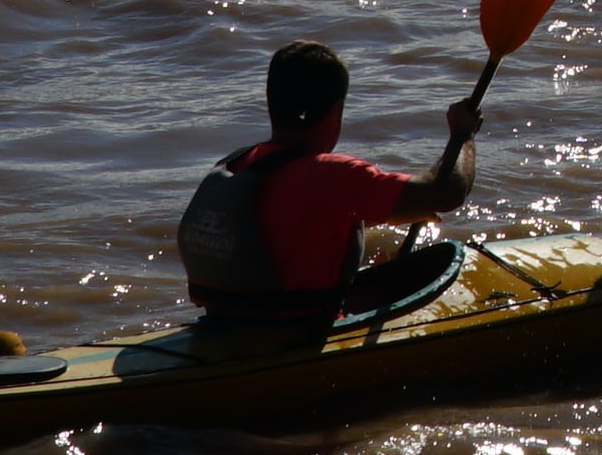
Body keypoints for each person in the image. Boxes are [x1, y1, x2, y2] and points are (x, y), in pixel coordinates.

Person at [177, 39, 477, 322]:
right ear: (336, 112)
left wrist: (400, 210)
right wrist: (462, 136)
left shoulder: (238, 164)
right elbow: (446, 192)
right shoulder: (334, 174)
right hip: (292, 332)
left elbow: (293, 218)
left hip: (226, 323)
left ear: (272, 103)